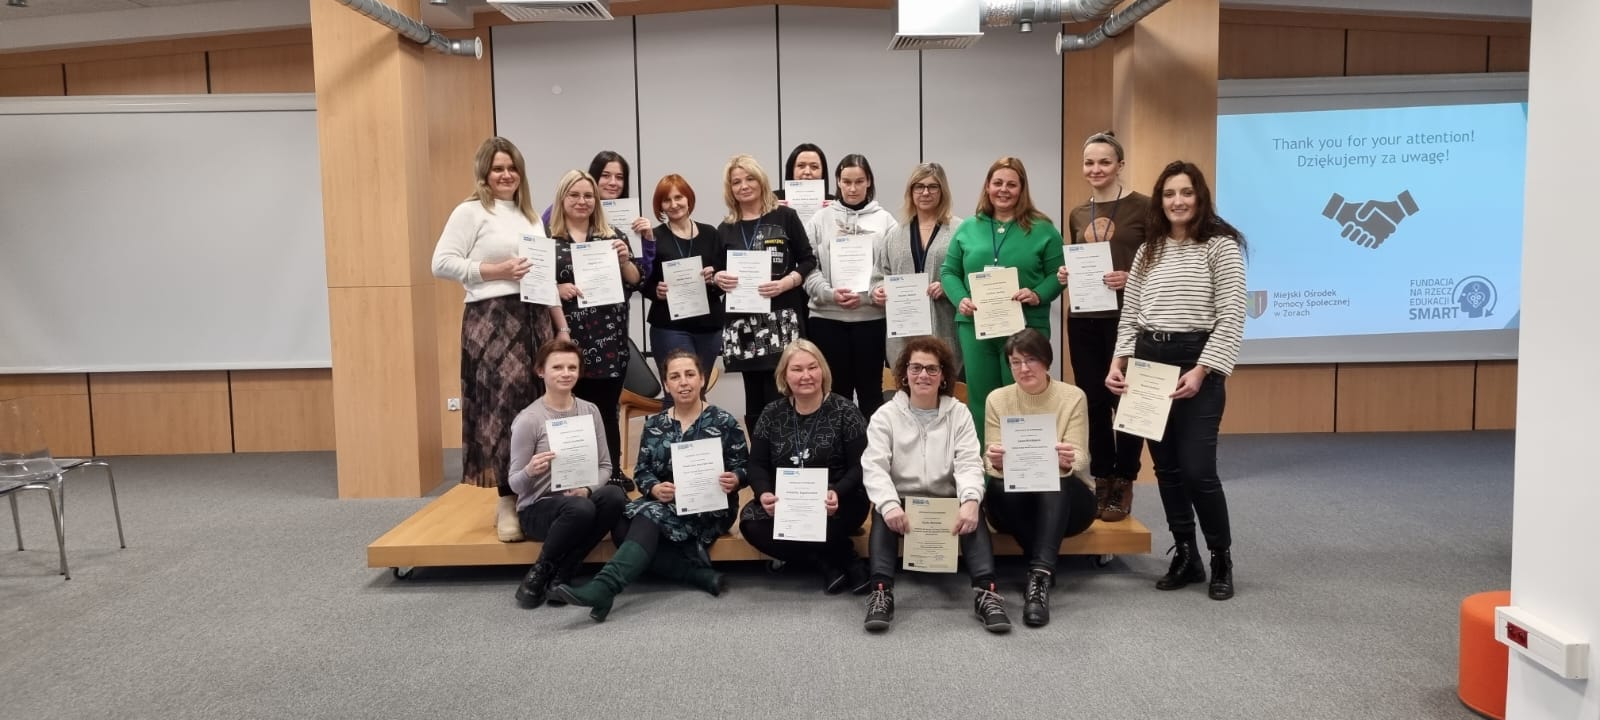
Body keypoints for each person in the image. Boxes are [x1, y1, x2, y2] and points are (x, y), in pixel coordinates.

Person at [1107, 160, 1246, 601]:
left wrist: (1202, 370)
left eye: (1186, 192)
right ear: (1160, 200)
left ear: (1200, 197)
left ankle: (1221, 557)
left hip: (1197, 361)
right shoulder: (1149, 250)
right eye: (1169, 194)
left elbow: (1231, 317)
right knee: (1165, 468)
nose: (1177, 201)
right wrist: (1118, 362)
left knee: (1198, 469)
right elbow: (1131, 314)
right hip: (1149, 361)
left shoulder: (1221, 246)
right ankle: (1186, 554)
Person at [431, 136, 568, 543]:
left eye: (512, 168)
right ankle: (507, 499)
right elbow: (441, 263)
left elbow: (543, 276)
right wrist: (498, 270)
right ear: (485, 174)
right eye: (498, 169)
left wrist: (561, 329)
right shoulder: (470, 212)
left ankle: (536, 496)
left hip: (535, 318)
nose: (506, 175)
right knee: (504, 410)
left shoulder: (530, 216)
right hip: (492, 319)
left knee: (539, 406)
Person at [551, 350, 747, 621]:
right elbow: (642, 471)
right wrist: (654, 488)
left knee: (648, 516)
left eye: (690, 374)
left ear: (702, 379)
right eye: (675, 377)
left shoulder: (724, 421)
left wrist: (735, 478)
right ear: (666, 384)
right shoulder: (655, 424)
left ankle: (604, 587)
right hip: (665, 502)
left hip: (709, 508)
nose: (683, 382)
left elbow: (744, 467)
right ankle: (696, 575)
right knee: (621, 524)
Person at [860, 337, 1010, 634]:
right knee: (881, 509)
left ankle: (987, 593)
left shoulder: (959, 413)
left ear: (943, 376)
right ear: (904, 374)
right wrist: (889, 505)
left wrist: (970, 500)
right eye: (916, 368)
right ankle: (880, 593)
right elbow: (874, 466)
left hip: (946, 503)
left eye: (932, 369)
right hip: (904, 505)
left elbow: (969, 462)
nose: (923, 375)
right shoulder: (885, 415)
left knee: (972, 507)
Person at [1059, 131, 1153, 523]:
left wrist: (1132, 277)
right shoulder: (1078, 214)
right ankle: (1101, 477)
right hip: (1084, 320)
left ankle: (1125, 479)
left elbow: (1160, 263)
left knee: (1127, 402)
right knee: (1094, 401)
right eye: (1089, 162)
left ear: (1120, 165)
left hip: (1128, 318)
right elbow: (1079, 258)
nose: (1095, 169)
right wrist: (1066, 274)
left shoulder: (1145, 208)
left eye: (1104, 162)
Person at [940, 156, 1065, 445]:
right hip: (976, 326)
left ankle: (1025, 465)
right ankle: (986, 467)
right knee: (982, 400)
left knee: (1024, 398)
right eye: (997, 183)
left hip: (1026, 327)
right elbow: (949, 272)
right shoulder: (968, 227)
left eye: (1011, 184)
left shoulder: (1043, 228)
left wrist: (1037, 293)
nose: (1003, 190)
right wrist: (960, 299)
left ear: (1022, 188)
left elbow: (1058, 275)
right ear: (987, 186)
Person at [982, 329, 1095, 627]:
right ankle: (1040, 563)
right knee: (996, 487)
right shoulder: (998, 399)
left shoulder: (1072, 396)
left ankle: (1039, 576)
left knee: (1054, 480)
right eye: (1015, 362)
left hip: (1068, 502)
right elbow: (989, 461)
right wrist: (995, 460)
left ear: (1046, 361)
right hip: (1018, 503)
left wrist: (1068, 459)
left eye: (1031, 360)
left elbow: (1081, 457)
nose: (1024, 369)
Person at [738, 340, 871, 594]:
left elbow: (861, 465)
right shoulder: (771, 413)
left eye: (812, 367)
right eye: (797, 369)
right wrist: (764, 493)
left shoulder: (846, 411)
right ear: (784, 376)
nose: (806, 375)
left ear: (823, 371)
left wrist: (838, 492)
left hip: (838, 501)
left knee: (833, 520)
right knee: (751, 523)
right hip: (789, 503)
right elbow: (756, 464)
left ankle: (828, 558)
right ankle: (832, 558)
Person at [508, 338, 627, 609]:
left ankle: (564, 571)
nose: (566, 373)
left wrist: (587, 489)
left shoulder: (590, 410)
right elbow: (515, 484)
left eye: (572, 368)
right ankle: (540, 572)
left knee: (614, 495)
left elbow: (606, 467)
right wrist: (529, 470)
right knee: (580, 509)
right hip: (538, 509)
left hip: (579, 499)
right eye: (557, 367)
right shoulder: (529, 419)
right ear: (541, 371)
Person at [550, 168, 643, 487]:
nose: (582, 201)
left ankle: (612, 473)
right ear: (562, 198)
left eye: (588, 195)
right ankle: (575, 477)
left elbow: (636, 281)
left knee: (606, 410)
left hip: (608, 340)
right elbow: (534, 288)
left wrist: (625, 260)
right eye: (574, 195)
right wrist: (556, 289)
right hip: (567, 341)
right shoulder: (548, 241)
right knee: (568, 411)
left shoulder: (612, 235)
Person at [712, 155, 816, 431]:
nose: (744, 186)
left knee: (783, 395)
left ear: (761, 181)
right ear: (730, 189)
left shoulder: (785, 216)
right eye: (736, 182)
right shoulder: (725, 228)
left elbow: (808, 260)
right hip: (744, 325)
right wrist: (718, 278)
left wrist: (787, 283)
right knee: (755, 401)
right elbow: (716, 274)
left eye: (750, 179)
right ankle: (759, 452)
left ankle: (788, 452)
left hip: (781, 321)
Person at [803, 154, 896, 419]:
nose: (852, 188)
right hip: (827, 319)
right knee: (833, 394)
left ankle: (872, 446)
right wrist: (829, 293)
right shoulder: (820, 219)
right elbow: (806, 266)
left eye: (859, 181)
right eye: (846, 182)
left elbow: (894, 269)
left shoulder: (886, 221)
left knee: (871, 393)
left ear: (869, 182)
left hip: (871, 319)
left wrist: (876, 293)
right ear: (837, 182)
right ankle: (837, 446)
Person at [873, 162, 964, 376]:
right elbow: (878, 276)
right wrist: (878, 290)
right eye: (919, 186)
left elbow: (969, 277)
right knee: (906, 390)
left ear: (942, 191)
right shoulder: (895, 234)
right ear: (910, 191)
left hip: (945, 329)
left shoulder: (959, 231)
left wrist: (949, 288)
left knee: (946, 389)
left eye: (933, 186)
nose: (925, 192)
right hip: (903, 336)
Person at [641, 174, 723, 404]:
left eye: (679, 197)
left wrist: (715, 277)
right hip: (669, 326)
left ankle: (698, 430)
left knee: (698, 391)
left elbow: (723, 276)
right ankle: (671, 429)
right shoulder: (654, 236)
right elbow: (641, 278)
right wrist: (654, 291)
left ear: (689, 199)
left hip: (708, 326)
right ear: (660, 205)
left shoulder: (711, 233)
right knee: (677, 392)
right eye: (666, 200)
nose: (674, 204)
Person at [543, 151, 655, 274]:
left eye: (619, 177)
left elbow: (642, 273)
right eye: (605, 175)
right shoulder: (556, 211)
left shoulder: (630, 217)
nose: (613, 183)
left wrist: (648, 239)